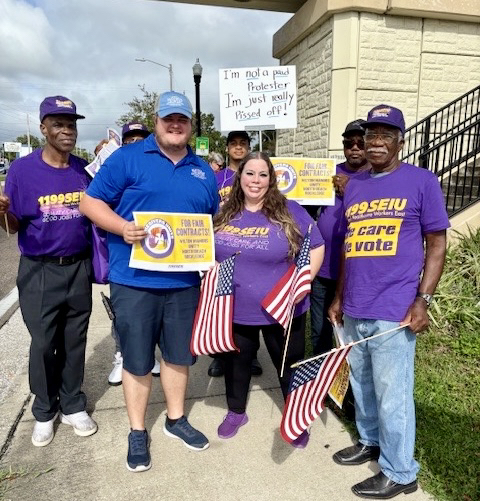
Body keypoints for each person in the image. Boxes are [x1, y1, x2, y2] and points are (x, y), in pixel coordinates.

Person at [79, 91, 218, 473]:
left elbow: (210, 221)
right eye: (168, 118)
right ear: (156, 121)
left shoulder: (202, 170)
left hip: (183, 283)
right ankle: (138, 430)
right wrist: (121, 227)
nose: (175, 125)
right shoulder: (127, 158)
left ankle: (175, 419)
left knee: (178, 356)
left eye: (182, 119)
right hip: (134, 281)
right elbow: (90, 203)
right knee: (138, 360)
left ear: (190, 125)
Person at [328, 104, 449, 499]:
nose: (375, 142)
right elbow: (349, 246)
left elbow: (437, 244)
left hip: (395, 308)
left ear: (400, 141)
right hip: (355, 305)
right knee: (362, 384)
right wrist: (339, 296)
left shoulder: (421, 181)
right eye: (371, 135)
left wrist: (423, 300)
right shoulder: (355, 185)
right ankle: (370, 442)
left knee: (392, 393)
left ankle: (400, 472)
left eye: (385, 135)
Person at [0, 96, 97, 447]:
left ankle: (72, 404)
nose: (66, 130)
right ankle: (44, 410)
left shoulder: (84, 170)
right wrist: (1, 211)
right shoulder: (22, 171)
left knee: (75, 340)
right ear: (43, 128)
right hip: (40, 269)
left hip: (79, 266)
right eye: (58, 124)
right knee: (43, 344)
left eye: (71, 124)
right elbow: (13, 224)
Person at [214, 152, 325, 448]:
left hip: (284, 307)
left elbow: (316, 246)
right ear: (240, 177)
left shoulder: (290, 210)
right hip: (235, 308)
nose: (256, 180)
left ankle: (296, 418)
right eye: (250, 173)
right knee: (236, 365)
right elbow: (206, 249)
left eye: (262, 174)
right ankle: (236, 412)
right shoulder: (223, 211)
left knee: (289, 365)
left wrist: (303, 282)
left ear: (271, 179)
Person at [95, 122, 161, 386]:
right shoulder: (117, 166)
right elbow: (95, 203)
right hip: (123, 255)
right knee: (124, 317)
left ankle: (149, 356)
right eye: (130, 140)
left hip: (156, 252)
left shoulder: (155, 166)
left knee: (154, 314)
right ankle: (122, 356)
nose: (135, 143)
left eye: (140, 139)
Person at [310, 119, 369, 356]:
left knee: (351, 332)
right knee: (319, 330)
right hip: (323, 266)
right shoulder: (329, 173)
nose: (354, 148)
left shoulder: (375, 178)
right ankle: (322, 374)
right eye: (349, 143)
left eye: (360, 143)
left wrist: (352, 187)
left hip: (357, 270)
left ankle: (348, 375)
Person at [208, 130, 263, 378]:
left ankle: (251, 355)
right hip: (223, 244)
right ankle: (220, 355)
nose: (238, 147)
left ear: (249, 147)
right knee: (221, 302)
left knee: (251, 300)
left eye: (243, 143)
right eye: (234, 143)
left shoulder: (257, 175)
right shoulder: (217, 178)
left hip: (253, 243)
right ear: (227, 147)